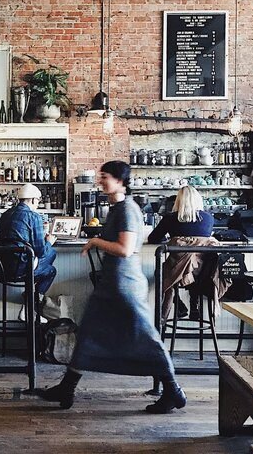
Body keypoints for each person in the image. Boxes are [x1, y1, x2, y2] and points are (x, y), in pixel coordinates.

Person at [36, 161, 186, 414]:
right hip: (113, 283)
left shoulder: (127, 209)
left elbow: (125, 249)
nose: (100, 181)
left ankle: (173, 390)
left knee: (145, 337)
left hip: (124, 285)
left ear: (119, 180)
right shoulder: (118, 208)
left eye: (105, 176)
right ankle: (67, 388)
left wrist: (95, 241)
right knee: (88, 334)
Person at [148, 185, 216, 321]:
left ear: (178, 201)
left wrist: (171, 239)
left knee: (163, 272)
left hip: (177, 271)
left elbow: (153, 238)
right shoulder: (208, 218)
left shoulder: (170, 218)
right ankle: (194, 305)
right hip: (203, 271)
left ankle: (178, 304)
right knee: (191, 264)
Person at [0, 183, 57, 320]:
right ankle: (29, 305)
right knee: (51, 265)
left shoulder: (5, 215)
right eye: (38, 201)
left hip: (4, 268)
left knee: (47, 258)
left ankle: (29, 299)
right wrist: (49, 242)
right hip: (21, 269)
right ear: (34, 200)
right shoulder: (33, 216)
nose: (38, 204)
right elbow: (41, 251)